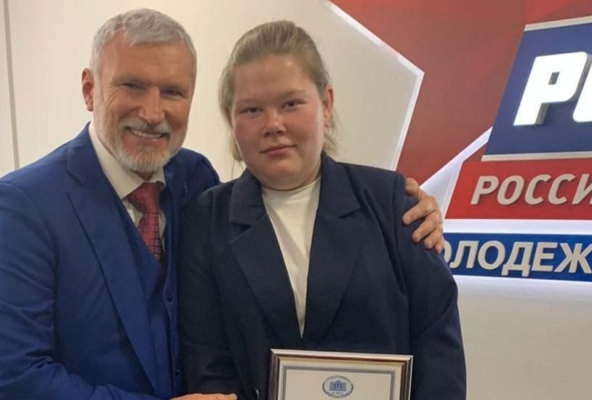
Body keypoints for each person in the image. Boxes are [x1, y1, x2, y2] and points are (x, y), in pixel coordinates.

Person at [0, 8, 445, 400]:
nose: (152, 112)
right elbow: (15, 376)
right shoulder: (22, 207)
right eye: (131, 86)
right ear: (89, 89)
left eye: (172, 92)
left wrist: (413, 213)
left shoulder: (193, 180)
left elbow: (436, 338)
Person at [178, 20, 466, 400]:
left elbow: (438, 350)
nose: (273, 124)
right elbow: (209, 365)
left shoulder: (394, 204)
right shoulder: (205, 221)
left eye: (291, 104)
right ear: (230, 119)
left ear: (326, 103)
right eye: (252, 110)